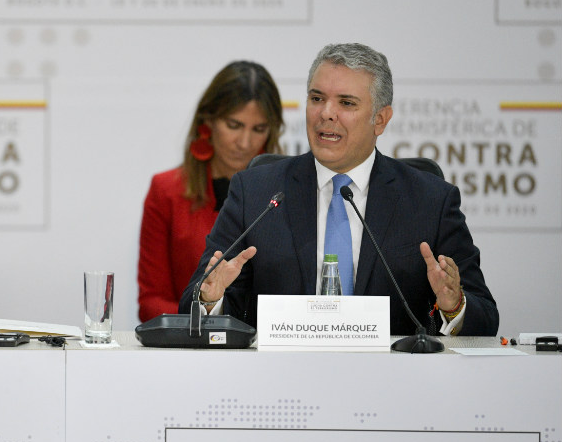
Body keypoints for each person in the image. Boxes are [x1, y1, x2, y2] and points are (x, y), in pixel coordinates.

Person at [179, 43, 498, 336]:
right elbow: (193, 304)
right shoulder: (257, 192)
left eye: (346, 103)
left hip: (394, 385)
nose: (325, 113)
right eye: (317, 98)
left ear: (381, 120)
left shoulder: (430, 201)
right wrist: (210, 300)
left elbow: (485, 318)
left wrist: (454, 306)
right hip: (278, 380)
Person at [138, 61, 284, 322]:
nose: (244, 142)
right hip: (188, 350)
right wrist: (207, 321)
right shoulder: (166, 190)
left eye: (258, 129)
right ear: (208, 120)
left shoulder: (283, 194)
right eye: (234, 125)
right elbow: (151, 302)